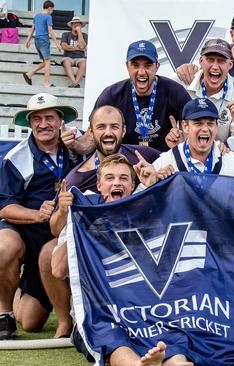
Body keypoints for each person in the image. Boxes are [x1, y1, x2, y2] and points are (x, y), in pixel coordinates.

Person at [49, 155, 191, 366]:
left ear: (132, 185)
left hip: (145, 308)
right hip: (99, 310)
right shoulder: (83, 214)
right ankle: (138, 365)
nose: (116, 183)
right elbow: (58, 270)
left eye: (124, 178)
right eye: (110, 178)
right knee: (113, 339)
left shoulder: (146, 210)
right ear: (99, 185)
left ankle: (174, 362)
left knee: (172, 337)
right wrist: (74, 220)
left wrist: (154, 188)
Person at [0, 93, 82, 339]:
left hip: (59, 234)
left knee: (32, 322)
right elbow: (4, 207)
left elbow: (98, 142)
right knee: (4, 247)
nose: (43, 124)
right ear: (29, 123)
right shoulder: (16, 157)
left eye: (49, 117)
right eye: (36, 119)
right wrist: (38, 214)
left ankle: (17, 288)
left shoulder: (77, 146)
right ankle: (3, 315)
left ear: (60, 121)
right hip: (25, 232)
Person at [91, 40, 191, 152]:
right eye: (135, 65)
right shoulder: (111, 95)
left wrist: (182, 143)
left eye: (148, 65)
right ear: (127, 66)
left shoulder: (175, 91)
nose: (141, 72)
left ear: (157, 66)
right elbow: (90, 138)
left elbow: (195, 129)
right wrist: (74, 144)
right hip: (123, 163)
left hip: (164, 162)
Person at [166, 38, 234, 148]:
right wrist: (174, 138)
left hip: (223, 157)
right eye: (210, 60)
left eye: (221, 61)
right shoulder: (181, 82)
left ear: (230, 64)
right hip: (184, 154)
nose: (215, 67)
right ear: (201, 61)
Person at [139, 98, 234, 185]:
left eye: (210, 123)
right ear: (185, 126)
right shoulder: (166, 161)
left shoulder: (231, 161)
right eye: (198, 123)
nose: (205, 129)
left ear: (217, 126)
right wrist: (152, 186)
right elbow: (138, 202)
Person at [62, 105, 160, 193]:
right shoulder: (77, 180)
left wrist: (159, 179)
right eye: (101, 127)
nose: (108, 132)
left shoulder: (145, 155)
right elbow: (57, 211)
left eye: (114, 126)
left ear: (123, 130)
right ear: (91, 133)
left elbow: (172, 167)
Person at [23, 1, 61, 87]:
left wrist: (28, 40)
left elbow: (32, 29)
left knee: (45, 62)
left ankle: (29, 73)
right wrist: (57, 44)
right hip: (44, 40)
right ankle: (46, 82)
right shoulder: (48, 17)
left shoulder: (36, 16)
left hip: (37, 40)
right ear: (50, 8)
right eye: (52, 10)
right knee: (48, 62)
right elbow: (50, 30)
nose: (52, 11)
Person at [59, 16, 88, 88]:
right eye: (74, 23)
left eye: (78, 24)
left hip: (80, 58)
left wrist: (79, 32)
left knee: (84, 63)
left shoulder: (84, 35)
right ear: (71, 25)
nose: (76, 25)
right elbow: (64, 46)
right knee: (66, 62)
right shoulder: (65, 34)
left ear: (81, 26)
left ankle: (74, 83)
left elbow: (82, 47)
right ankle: (75, 83)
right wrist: (78, 48)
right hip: (68, 57)